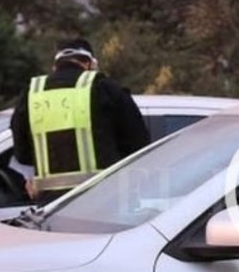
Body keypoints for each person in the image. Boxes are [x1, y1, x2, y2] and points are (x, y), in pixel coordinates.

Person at [10, 38, 150, 203]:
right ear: (90, 64)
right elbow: (138, 144)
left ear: (55, 66)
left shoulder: (32, 93)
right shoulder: (106, 89)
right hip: (103, 200)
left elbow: (23, 154)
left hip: (51, 205)